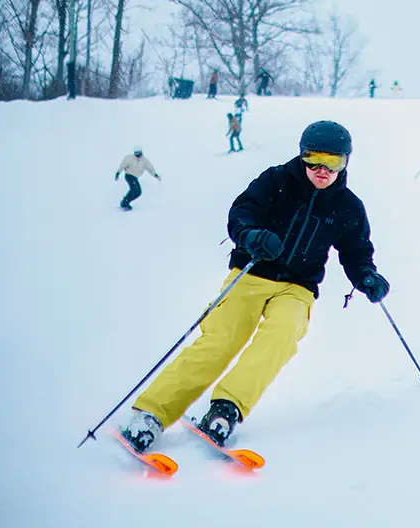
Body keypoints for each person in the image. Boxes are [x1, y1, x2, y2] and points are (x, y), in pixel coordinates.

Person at [118, 120, 391, 451]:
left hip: (297, 287)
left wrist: (366, 275)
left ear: (345, 162)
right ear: (302, 156)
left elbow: (356, 250)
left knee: (281, 335)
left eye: (333, 162)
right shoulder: (276, 180)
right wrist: (251, 235)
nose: (322, 169)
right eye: (314, 159)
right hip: (251, 272)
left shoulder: (348, 207)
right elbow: (241, 213)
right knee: (221, 341)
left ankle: (226, 408)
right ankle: (151, 415)